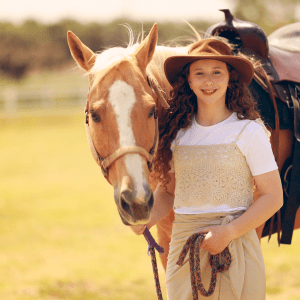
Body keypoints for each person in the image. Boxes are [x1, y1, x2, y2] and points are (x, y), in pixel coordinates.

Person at [131, 38, 283, 299]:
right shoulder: (176, 134)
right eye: (199, 73)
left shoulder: (249, 131)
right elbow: (168, 193)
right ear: (188, 80)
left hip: (235, 247)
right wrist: (146, 217)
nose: (208, 81)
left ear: (229, 79)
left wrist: (229, 232)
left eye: (217, 72)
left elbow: (273, 197)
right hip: (184, 249)